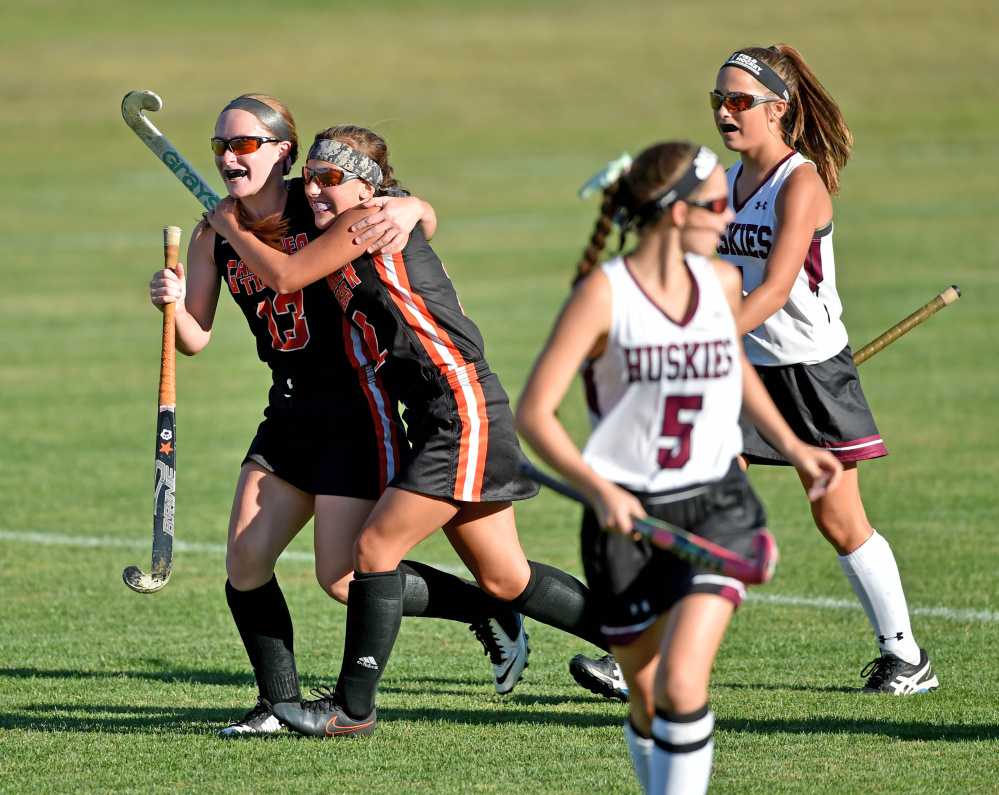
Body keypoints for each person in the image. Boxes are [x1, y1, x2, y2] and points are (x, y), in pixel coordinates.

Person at [150, 96, 548, 737]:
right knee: (245, 564)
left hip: (356, 407)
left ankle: (483, 609)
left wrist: (414, 204)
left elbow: (406, 214)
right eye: (221, 145)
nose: (229, 157)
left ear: (283, 151)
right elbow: (195, 336)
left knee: (342, 577)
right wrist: (171, 304)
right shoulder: (209, 233)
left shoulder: (321, 207)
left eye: (245, 144)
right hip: (287, 409)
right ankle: (274, 705)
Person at [515, 141, 842, 795]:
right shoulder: (603, 296)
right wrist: (598, 488)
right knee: (645, 698)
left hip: (717, 502)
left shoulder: (721, 282)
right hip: (627, 516)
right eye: (716, 205)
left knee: (681, 682)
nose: (729, 217)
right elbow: (534, 413)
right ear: (673, 212)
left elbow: (734, 365)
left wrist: (794, 442)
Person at [710, 45, 938, 694]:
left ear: (776, 109)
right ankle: (648, 650)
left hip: (810, 371)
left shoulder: (799, 182)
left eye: (738, 102)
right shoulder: (724, 184)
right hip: (745, 368)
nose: (725, 114)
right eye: (716, 102)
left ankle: (905, 656)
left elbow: (777, 287)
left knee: (837, 519)